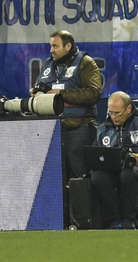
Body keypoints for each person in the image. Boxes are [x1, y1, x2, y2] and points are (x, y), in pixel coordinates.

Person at [90, 91, 138, 229]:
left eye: (117, 113)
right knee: (97, 177)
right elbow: (96, 154)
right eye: (111, 112)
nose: (114, 117)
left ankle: (129, 218)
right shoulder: (103, 129)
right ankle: (117, 218)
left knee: (127, 174)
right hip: (114, 171)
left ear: (128, 108)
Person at [38, 30, 104, 183]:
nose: (51, 50)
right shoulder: (47, 63)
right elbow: (41, 86)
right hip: (53, 129)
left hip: (78, 127)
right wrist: (38, 93)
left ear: (68, 46)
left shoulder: (85, 62)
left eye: (55, 46)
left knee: (79, 175)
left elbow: (94, 93)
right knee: (55, 177)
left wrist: (62, 94)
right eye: (51, 46)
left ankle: (83, 207)